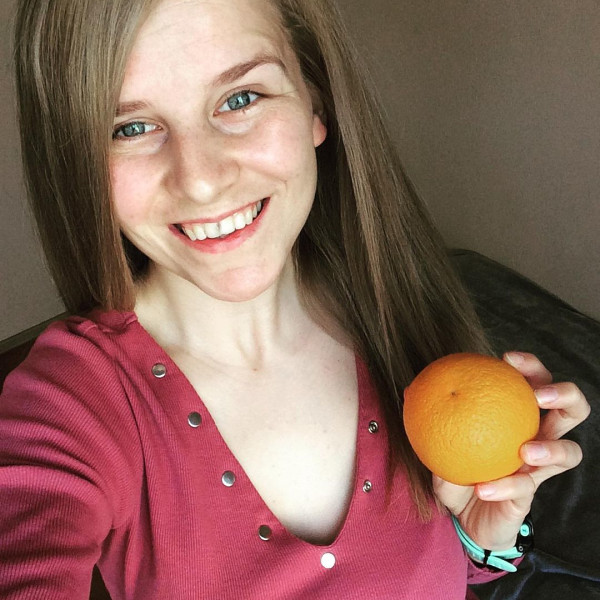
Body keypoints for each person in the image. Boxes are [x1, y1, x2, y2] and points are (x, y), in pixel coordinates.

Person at [0, 0, 590, 598]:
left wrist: (483, 536)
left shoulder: (392, 309)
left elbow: (433, 568)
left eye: (240, 98)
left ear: (314, 103)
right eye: (129, 128)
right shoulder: (72, 403)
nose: (201, 180)